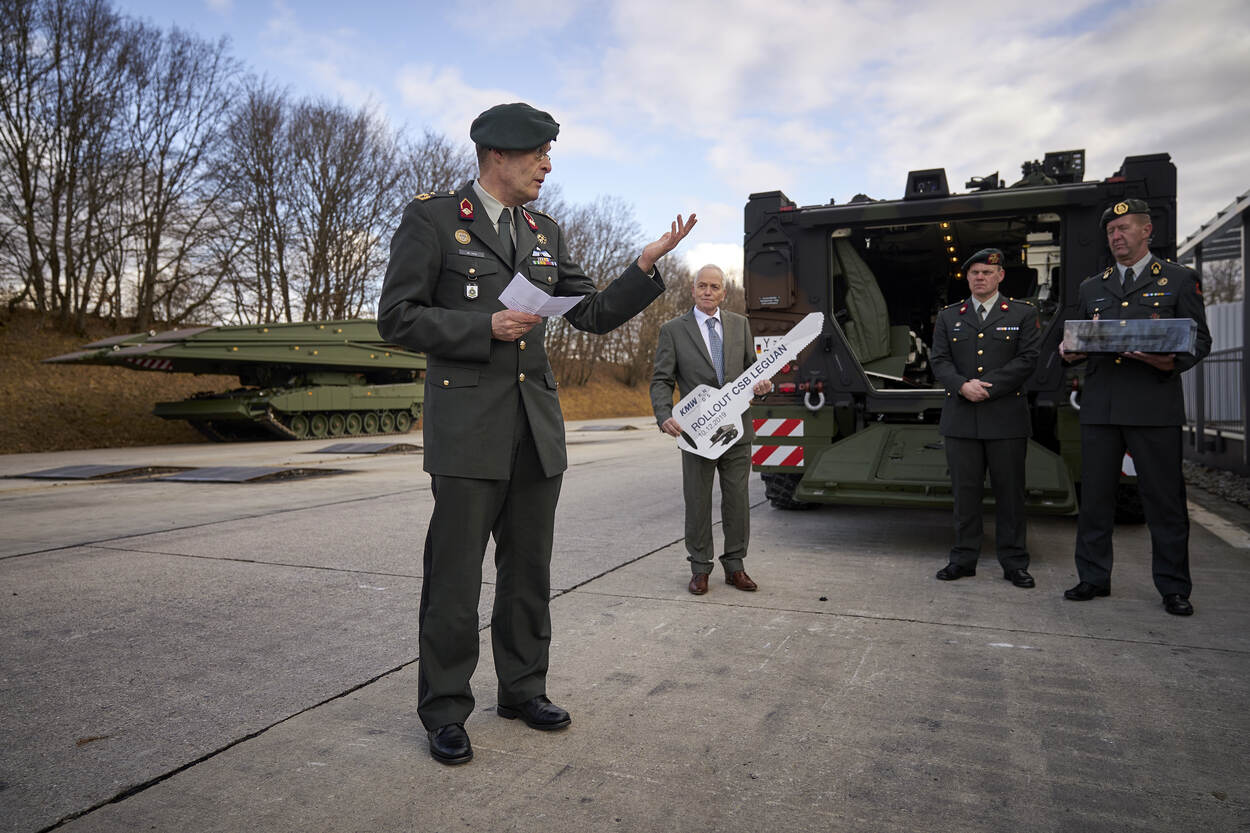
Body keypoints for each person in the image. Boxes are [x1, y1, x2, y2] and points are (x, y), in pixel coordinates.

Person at [378, 102, 696, 765]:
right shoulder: (434, 219)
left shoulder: (543, 230)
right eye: (538, 154)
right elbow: (398, 317)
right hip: (468, 431)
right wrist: (483, 327)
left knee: (528, 573)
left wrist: (643, 266)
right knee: (454, 579)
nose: (547, 166)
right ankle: (445, 709)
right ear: (498, 154)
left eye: (549, 154)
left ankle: (523, 689)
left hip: (535, 429)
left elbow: (593, 314)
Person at [1059, 198, 1211, 615]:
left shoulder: (1179, 279)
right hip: (1101, 408)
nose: (1116, 236)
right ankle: (1092, 577)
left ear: (1147, 230)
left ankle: (1174, 588)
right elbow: (1078, 339)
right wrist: (1068, 353)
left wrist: (1171, 361)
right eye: (1111, 231)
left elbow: (1200, 340)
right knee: (1095, 500)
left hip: (1153, 407)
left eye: (1124, 228)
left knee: (1164, 501)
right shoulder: (1093, 287)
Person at [650, 264, 772, 596]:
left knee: (737, 502)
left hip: (737, 431)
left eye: (714, 286)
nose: (708, 291)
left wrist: (762, 387)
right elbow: (661, 380)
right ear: (693, 290)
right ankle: (700, 569)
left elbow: (751, 371)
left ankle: (735, 566)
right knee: (698, 502)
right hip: (696, 435)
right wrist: (664, 414)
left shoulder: (740, 325)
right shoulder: (673, 330)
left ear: (723, 293)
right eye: (702, 285)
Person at [929, 248, 1042, 588]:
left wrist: (988, 388)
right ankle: (963, 559)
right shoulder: (949, 316)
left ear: (1000, 276)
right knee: (965, 496)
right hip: (961, 418)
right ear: (967, 277)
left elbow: (1027, 359)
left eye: (987, 272)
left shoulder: (1022, 313)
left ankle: (1015, 563)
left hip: (1005, 418)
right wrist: (962, 385)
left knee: (1011, 496)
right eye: (975, 273)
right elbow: (939, 360)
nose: (980, 277)